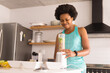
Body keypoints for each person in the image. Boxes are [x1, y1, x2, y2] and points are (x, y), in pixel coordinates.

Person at [54, 4, 90, 73]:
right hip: (64, 70)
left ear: (72, 18)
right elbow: (56, 56)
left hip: (79, 69)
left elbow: (87, 50)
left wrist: (74, 53)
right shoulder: (59, 35)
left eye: (67, 19)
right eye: (62, 20)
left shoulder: (81, 30)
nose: (64, 22)